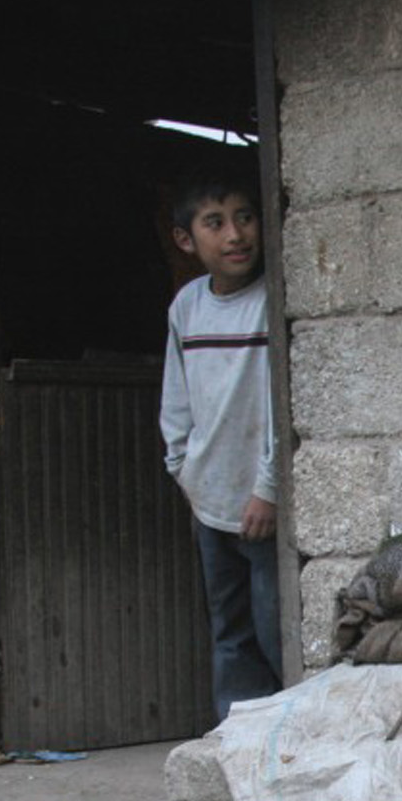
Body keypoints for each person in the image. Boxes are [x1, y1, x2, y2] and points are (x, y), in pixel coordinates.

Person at [159, 173, 282, 722]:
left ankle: (286, 735)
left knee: (275, 628)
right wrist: (182, 468)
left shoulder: (271, 300)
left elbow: (281, 401)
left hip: (262, 503)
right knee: (229, 631)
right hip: (210, 500)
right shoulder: (187, 306)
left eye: (245, 218)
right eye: (215, 223)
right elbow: (176, 396)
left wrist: (269, 486)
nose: (236, 234)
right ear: (186, 239)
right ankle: (238, 739)